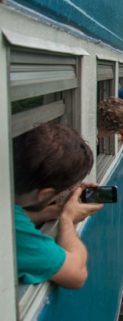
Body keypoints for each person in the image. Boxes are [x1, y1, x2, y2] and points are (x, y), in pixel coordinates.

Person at [13, 123, 103, 288]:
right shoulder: (14, 233)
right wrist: (68, 218)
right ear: (45, 194)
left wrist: (48, 213)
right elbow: (77, 274)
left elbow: (16, 216)